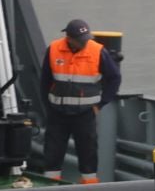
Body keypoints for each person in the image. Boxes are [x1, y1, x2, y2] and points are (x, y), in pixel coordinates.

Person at [38, 18, 121, 182]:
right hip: (58, 113)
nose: (84, 43)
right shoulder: (54, 49)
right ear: (69, 38)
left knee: (88, 152)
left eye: (86, 39)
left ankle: (89, 187)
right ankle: (51, 187)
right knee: (53, 152)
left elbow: (114, 78)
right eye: (80, 40)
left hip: (85, 113)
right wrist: (48, 105)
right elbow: (45, 81)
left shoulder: (98, 51)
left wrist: (100, 104)